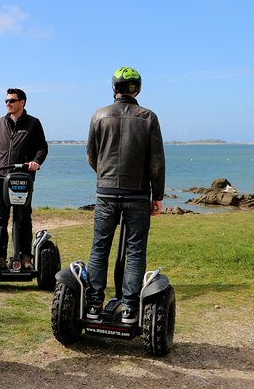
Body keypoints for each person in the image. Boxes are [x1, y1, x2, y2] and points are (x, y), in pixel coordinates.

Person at [84, 67, 165, 324]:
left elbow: (91, 155)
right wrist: (158, 195)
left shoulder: (99, 115)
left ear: (114, 89)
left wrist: (105, 176)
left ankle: (94, 304)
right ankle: (130, 308)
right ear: (137, 89)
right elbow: (156, 162)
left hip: (106, 193)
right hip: (138, 193)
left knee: (99, 248)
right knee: (135, 250)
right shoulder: (148, 117)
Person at [0, 88, 48, 270]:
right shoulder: (0, 122)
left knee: (23, 219)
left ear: (22, 102)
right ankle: (0, 258)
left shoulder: (33, 123)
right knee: (1, 220)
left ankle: (26, 257)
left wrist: (36, 161)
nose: (8, 103)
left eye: (12, 100)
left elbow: (42, 147)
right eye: (6, 101)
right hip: (2, 177)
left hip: (23, 179)